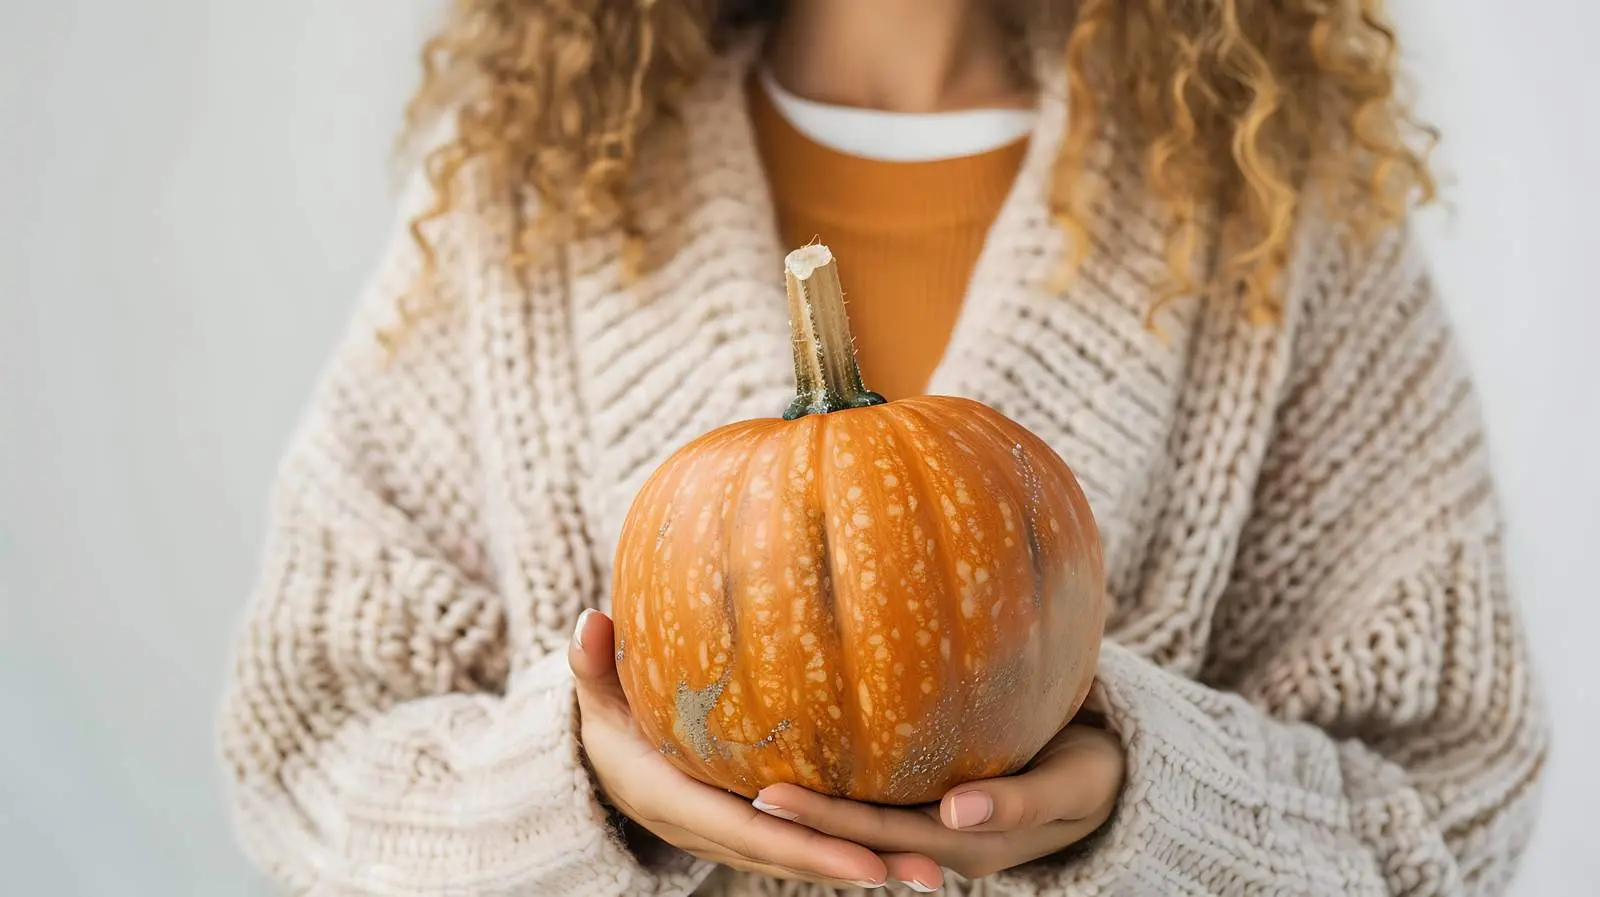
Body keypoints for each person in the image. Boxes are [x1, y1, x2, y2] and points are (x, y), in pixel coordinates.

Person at [216, 1, 1549, 894]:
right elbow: (308, 752)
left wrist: (1150, 799)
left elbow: (1452, 801)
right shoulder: (531, 189)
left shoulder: (1267, 205)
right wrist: (577, 792)